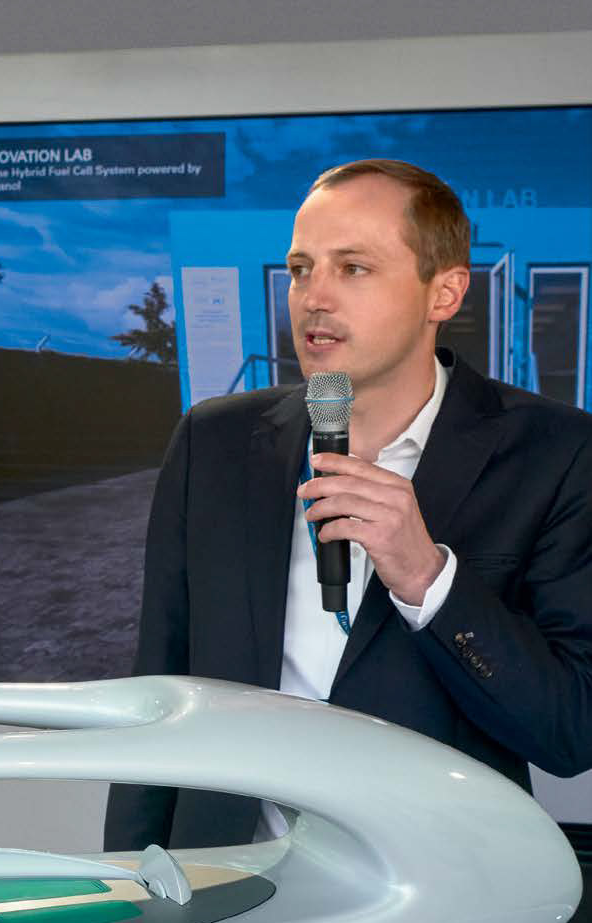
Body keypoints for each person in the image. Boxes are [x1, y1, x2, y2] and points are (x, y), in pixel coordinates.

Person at [104, 158, 592, 852]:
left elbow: (569, 732)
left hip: (440, 883)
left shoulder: (558, 453)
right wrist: (132, 879)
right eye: (301, 269)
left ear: (444, 292)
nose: (314, 297)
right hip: (224, 876)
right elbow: (158, 689)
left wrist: (428, 579)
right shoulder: (212, 442)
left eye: (353, 268)